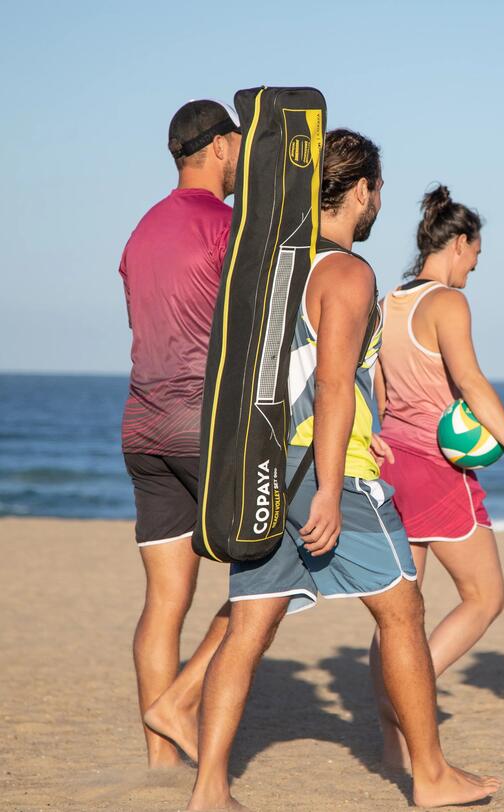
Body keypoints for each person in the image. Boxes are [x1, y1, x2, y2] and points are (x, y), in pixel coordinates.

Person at [186, 132, 501, 810]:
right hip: (331, 475)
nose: (379, 200)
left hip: (270, 466)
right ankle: (431, 775)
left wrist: (366, 430)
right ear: (360, 191)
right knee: (403, 611)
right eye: (378, 189)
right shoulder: (349, 273)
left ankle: (209, 788)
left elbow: (300, 374)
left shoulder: (275, 266)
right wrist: (332, 485)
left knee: (248, 629)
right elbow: (332, 385)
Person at [370, 184, 504, 768]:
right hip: (438, 471)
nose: (474, 266)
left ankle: (394, 747)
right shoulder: (447, 302)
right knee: (485, 596)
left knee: (403, 612)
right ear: (459, 243)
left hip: (390, 462)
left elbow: (380, 392)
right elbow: (471, 383)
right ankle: (407, 692)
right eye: (475, 254)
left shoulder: (390, 300)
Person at [118, 99, 241, 767]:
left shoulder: (141, 230)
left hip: (142, 429)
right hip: (206, 429)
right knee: (270, 574)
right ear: (220, 146)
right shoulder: (228, 225)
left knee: (164, 602)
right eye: (239, 144)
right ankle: (179, 703)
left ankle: (160, 765)